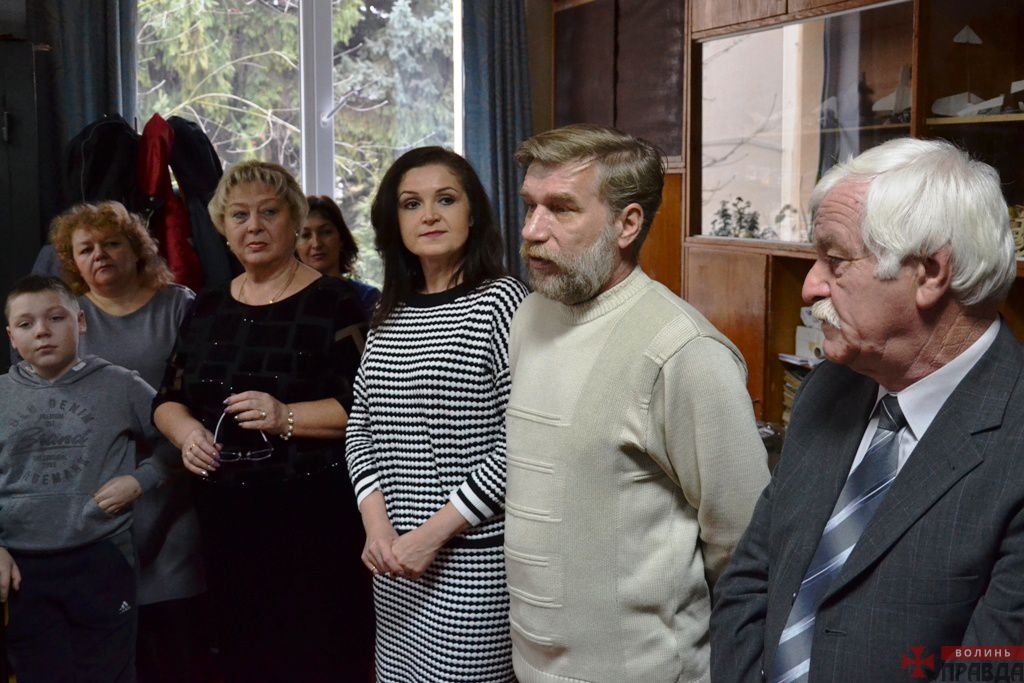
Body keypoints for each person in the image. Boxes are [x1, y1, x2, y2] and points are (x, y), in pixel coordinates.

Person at [710, 137, 1024, 682]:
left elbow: (993, 668)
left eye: (835, 261)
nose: (810, 287)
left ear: (930, 272)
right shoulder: (829, 388)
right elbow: (751, 582)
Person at [505, 123, 769, 683]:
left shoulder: (684, 352)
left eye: (561, 209)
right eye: (529, 205)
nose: (531, 230)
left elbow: (744, 543)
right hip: (530, 666)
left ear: (627, 224)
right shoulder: (530, 316)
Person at [153, 160, 373, 682]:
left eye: (268, 212)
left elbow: (367, 408)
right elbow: (167, 399)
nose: (253, 226)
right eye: (239, 215)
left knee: (319, 655)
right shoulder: (206, 306)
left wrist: (285, 416)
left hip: (315, 519)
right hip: (224, 518)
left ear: (294, 221)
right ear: (223, 229)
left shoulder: (340, 302)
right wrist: (187, 433)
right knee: (240, 655)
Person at [345, 146, 527, 682]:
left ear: (472, 214)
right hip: (394, 563)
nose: (428, 215)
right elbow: (361, 427)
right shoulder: (388, 312)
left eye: (445, 199)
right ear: (394, 223)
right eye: (411, 204)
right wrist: (377, 527)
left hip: (472, 564)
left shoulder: (502, 302)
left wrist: (432, 535)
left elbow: (521, 440)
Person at [48, 200, 206, 683]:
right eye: (86, 249)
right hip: (93, 494)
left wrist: (157, 470)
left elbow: (200, 398)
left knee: (176, 645)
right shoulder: (62, 318)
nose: (99, 254)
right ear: (72, 262)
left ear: (137, 249)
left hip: (175, 483)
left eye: (112, 243)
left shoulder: (179, 305)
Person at [1, 275, 167, 683]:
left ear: (80, 322)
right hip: (20, 563)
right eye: (25, 324)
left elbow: (179, 440)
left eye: (55, 318)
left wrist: (141, 479)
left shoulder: (121, 384)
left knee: (108, 673)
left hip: (101, 553)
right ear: (11, 337)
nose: (42, 331)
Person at [299, 194, 381, 316]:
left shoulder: (367, 297)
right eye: (305, 235)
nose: (316, 244)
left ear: (341, 238)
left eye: (326, 232)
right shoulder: (285, 299)